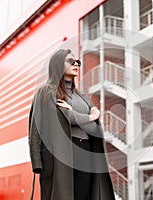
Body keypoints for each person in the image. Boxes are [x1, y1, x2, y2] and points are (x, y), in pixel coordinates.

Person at [29, 49, 115, 200]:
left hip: (86, 151)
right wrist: (37, 161)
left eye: (77, 62)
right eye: (70, 61)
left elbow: (94, 128)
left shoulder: (82, 97)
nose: (75, 64)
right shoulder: (46, 92)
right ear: (57, 64)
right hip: (60, 154)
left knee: (84, 195)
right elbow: (36, 129)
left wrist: (82, 117)